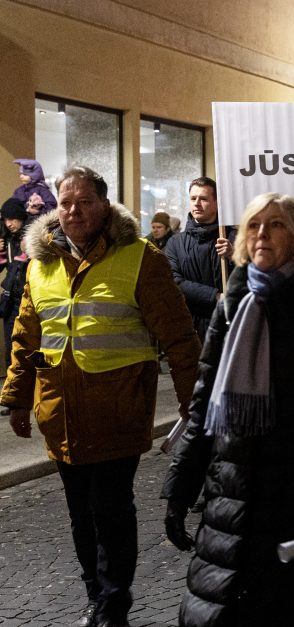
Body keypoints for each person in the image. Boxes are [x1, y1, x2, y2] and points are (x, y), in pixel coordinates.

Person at [161, 192, 294, 626]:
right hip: (234, 497)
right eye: (254, 225)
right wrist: (180, 486)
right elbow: (205, 404)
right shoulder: (234, 303)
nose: (262, 234)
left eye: (275, 225)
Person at [2, 166, 201, 627]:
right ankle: (97, 594)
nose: (74, 211)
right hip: (61, 412)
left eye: (85, 202)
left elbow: (179, 335)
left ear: (105, 205)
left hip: (119, 410)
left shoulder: (140, 257)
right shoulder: (40, 263)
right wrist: (16, 397)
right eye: (66, 202)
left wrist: (194, 399)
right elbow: (25, 337)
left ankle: (113, 604)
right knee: (80, 514)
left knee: (110, 508)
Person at [163, 176, 236, 341]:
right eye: (193, 198)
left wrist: (234, 256)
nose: (196, 203)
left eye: (203, 199)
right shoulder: (176, 242)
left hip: (228, 324)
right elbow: (174, 280)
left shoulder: (234, 237)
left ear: (217, 203)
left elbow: (252, 274)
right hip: (190, 326)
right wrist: (215, 296)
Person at [0, 198, 30, 375]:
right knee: (10, 344)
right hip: (11, 298)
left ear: (20, 217)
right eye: (5, 219)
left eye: (12, 219)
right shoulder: (7, 239)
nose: (8, 223)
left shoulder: (32, 236)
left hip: (29, 297)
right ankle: (12, 386)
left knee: (29, 343)